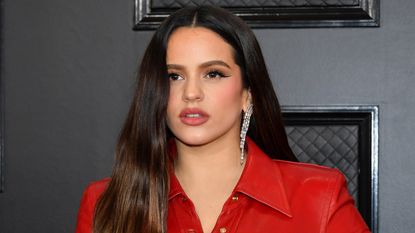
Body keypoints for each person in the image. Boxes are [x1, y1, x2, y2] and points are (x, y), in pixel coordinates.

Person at [75, 5, 370, 233]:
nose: (191, 93)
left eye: (213, 73)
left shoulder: (319, 196)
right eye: (173, 76)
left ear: (247, 94)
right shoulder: (104, 202)